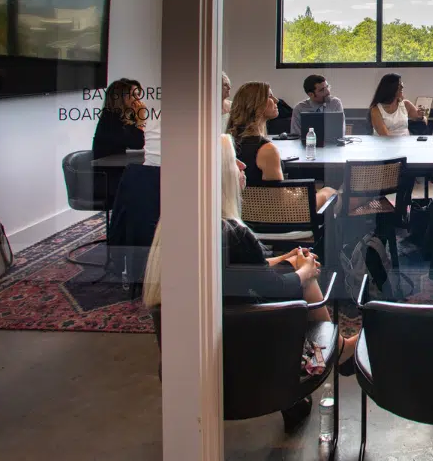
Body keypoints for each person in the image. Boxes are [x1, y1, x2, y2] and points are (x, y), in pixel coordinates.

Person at [142, 136, 358, 386]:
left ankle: (339, 351)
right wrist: (306, 271)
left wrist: (286, 258)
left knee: (299, 266)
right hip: (247, 345)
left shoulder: (184, 222)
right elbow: (270, 287)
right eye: (234, 161)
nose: (243, 166)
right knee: (306, 278)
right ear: (219, 174)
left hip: (206, 347)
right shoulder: (232, 233)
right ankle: (340, 350)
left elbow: (243, 273)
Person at [227, 82, 336, 208]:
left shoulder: (230, 141)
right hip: (275, 215)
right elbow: (280, 199)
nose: (276, 100)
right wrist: (303, 194)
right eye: (270, 96)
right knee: (330, 192)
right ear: (256, 105)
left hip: (245, 212)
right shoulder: (266, 150)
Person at [92, 78, 146, 159]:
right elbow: (137, 144)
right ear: (121, 98)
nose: (138, 99)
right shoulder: (110, 119)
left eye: (138, 94)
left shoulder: (128, 116)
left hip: (122, 164)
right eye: (134, 95)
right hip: (109, 168)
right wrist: (141, 119)